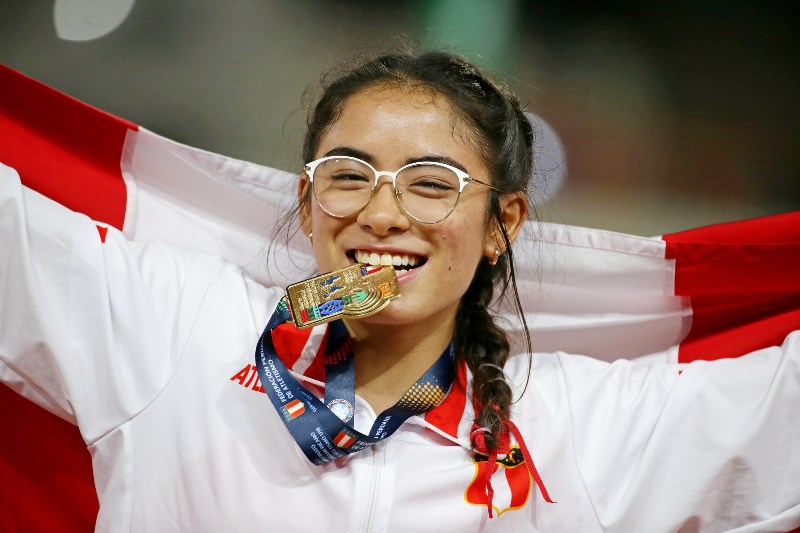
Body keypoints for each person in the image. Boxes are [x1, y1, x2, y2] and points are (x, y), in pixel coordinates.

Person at [1, 50, 798, 532]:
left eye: (431, 183)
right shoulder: (178, 329)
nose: (383, 214)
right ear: (310, 205)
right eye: (348, 176)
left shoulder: (581, 427)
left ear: (500, 223)